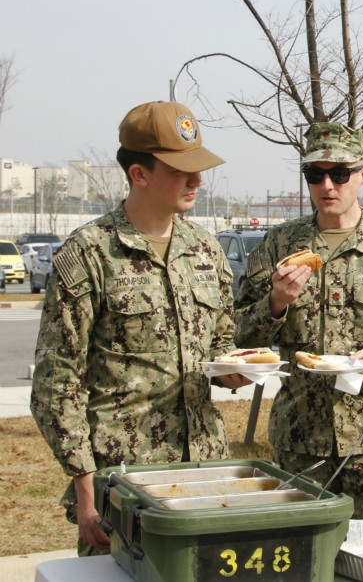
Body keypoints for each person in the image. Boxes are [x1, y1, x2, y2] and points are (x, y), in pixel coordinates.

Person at [30, 101, 248, 556]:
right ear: (139, 173)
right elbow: (57, 383)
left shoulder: (205, 251)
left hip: (204, 474)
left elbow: (221, 343)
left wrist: (236, 370)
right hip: (125, 483)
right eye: (181, 169)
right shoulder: (89, 253)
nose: (197, 180)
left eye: (198, 168)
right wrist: (86, 493)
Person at [233, 122, 363, 520]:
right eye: (315, 174)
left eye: (340, 174)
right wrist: (276, 302)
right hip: (300, 441)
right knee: (302, 559)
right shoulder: (279, 247)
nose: (327, 185)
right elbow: (240, 333)